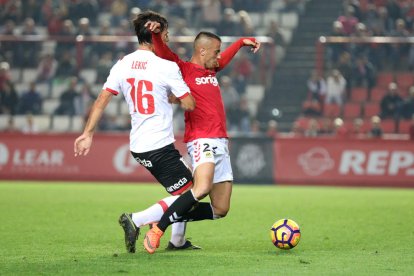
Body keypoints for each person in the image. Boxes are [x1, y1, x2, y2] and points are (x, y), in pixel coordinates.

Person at [74, 11, 207, 253]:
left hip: (139, 144)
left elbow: (102, 99)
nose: (167, 40)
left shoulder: (122, 64)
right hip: (157, 144)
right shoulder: (166, 66)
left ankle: (177, 241)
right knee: (191, 192)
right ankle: (136, 219)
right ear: (158, 35)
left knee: (188, 187)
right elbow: (189, 103)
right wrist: (177, 99)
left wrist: (87, 133)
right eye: (166, 35)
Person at [142, 20, 260, 254]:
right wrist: (155, 35)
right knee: (202, 187)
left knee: (221, 209)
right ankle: (158, 229)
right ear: (202, 50)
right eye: (215, 52)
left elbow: (224, 59)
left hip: (221, 144)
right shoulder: (182, 69)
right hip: (201, 140)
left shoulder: (211, 69)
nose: (218, 58)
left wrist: (240, 43)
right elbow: (165, 53)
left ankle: (167, 217)